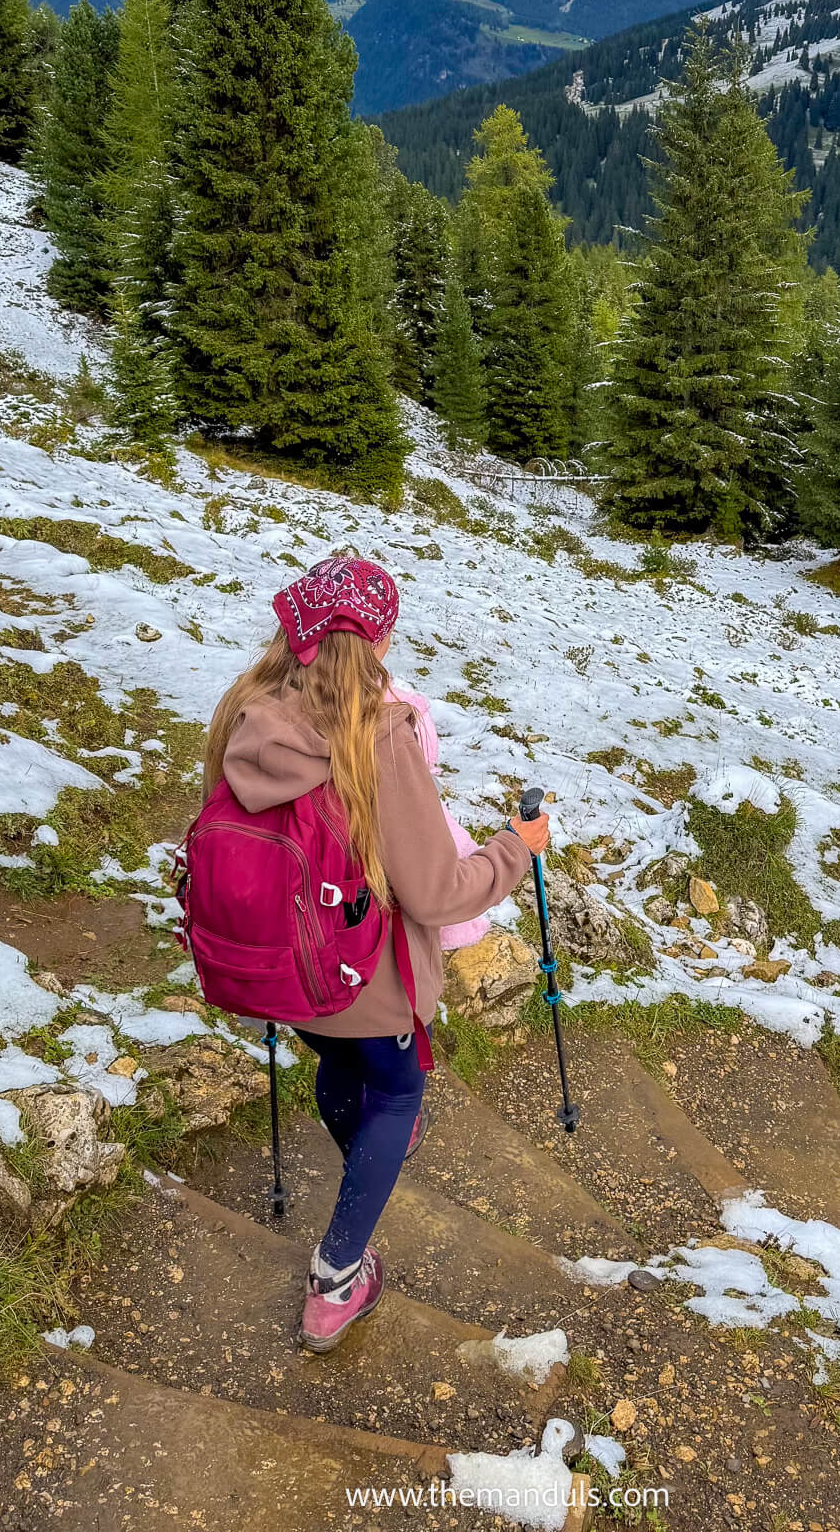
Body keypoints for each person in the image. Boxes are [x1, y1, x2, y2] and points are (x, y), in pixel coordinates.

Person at [200, 556, 549, 1353]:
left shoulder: (246, 711)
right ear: (381, 641)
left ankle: (367, 1159)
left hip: (279, 970)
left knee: (342, 1067)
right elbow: (435, 894)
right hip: (363, 974)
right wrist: (514, 848)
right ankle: (336, 1280)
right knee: (395, 1096)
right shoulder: (377, 736)